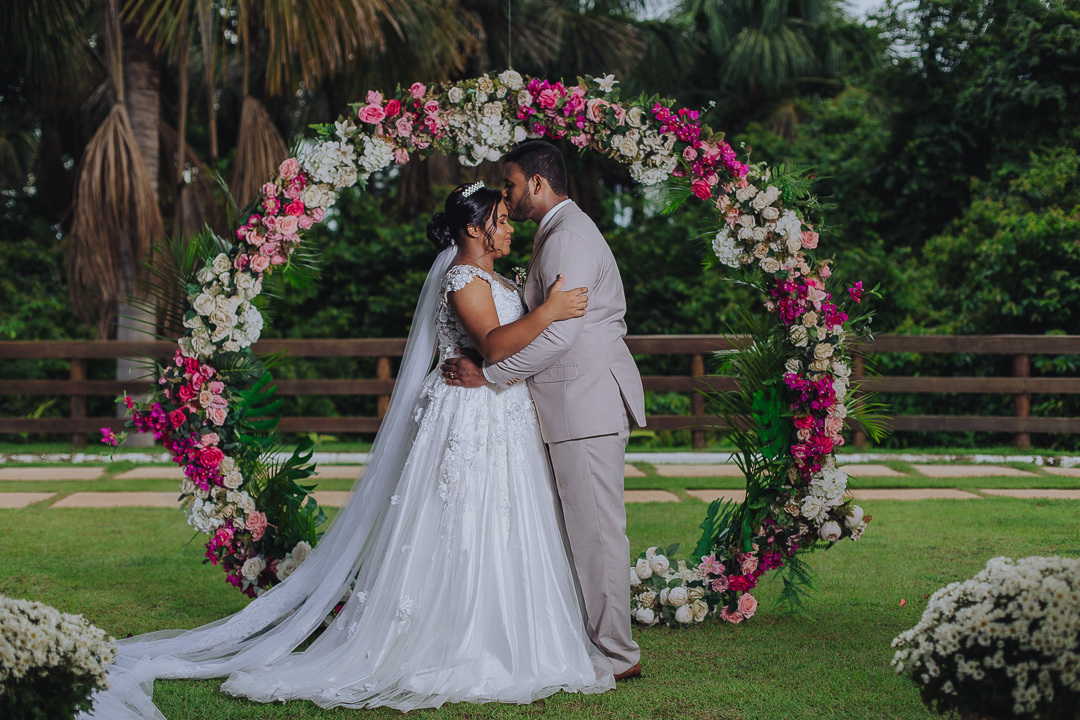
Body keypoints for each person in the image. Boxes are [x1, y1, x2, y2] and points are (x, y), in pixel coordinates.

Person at [83, 183, 614, 720]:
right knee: (460, 520)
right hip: (468, 417)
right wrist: (548, 311)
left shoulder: (496, 275)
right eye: (500, 219)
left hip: (501, 414)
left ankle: (514, 636)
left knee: (506, 522)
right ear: (474, 228)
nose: (509, 226)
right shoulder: (462, 276)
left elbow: (497, 348)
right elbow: (496, 343)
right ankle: (456, 640)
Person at [443, 140, 647, 682]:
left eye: (509, 184)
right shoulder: (555, 233)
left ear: (536, 182)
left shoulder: (570, 237)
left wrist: (489, 374)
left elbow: (558, 335)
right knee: (579, 533)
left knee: (597, 534)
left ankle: (618, 657)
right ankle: (590, 642)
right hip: (568, 404)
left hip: (584, 403)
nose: (505, 196)